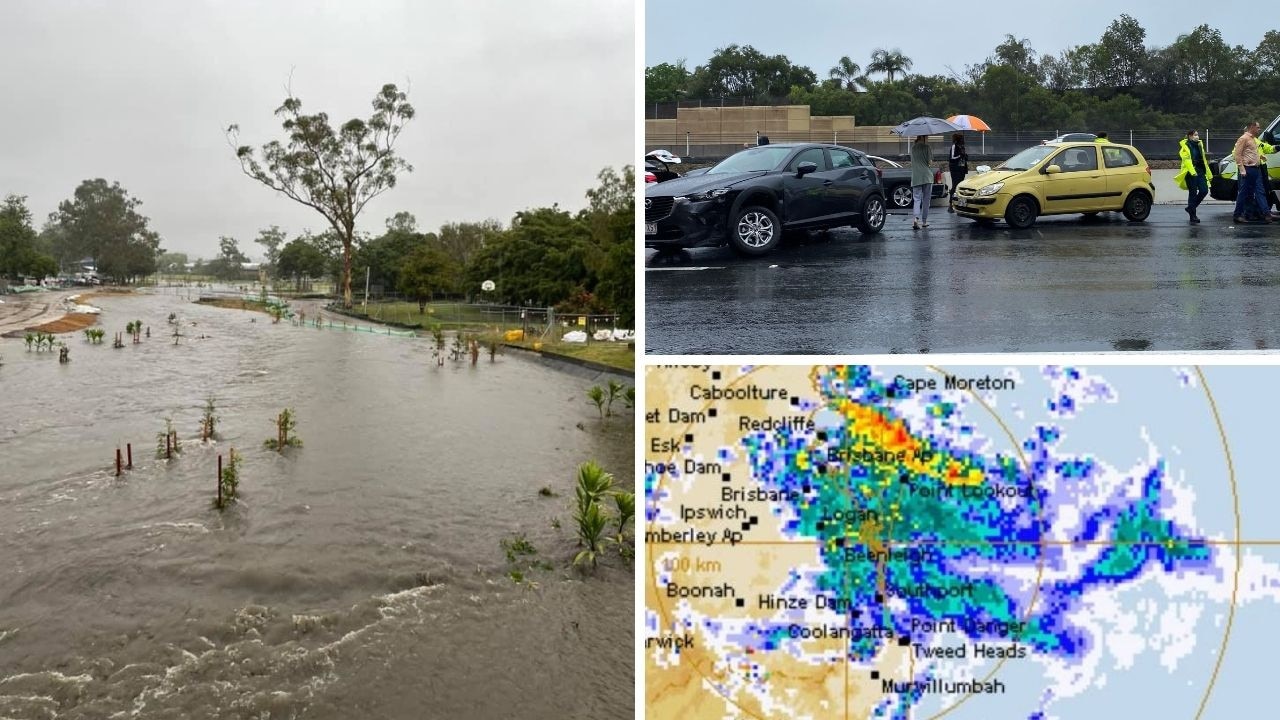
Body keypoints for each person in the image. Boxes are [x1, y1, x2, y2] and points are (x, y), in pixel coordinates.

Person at [1233, 121, 1269, 223]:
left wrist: (1260, 157)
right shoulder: (1243, 138)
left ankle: (1248, 214)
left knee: (1249, 193)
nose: (1259, 129)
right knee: (1243, 193)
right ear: (1252, 127)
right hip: (1248, 169)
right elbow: (1237, 155)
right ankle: (1237, 215)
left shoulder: (1253, 139)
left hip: (1255, 169)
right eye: (1257, 127)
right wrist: (1242, 169)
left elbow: (1250, 153)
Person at [1176, 130, 1213, 224]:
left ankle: (1190, 207)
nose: (1197, 136)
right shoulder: (1185, 146)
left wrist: (1208, 173)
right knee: (1192, 193)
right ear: (1190, 136)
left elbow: (1203, 159)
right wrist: (1192, 172)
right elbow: (1187, 160)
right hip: (1190, 172)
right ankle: (1193, 215)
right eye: (1195, 135)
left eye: (1197, 135)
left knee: (1204, 190)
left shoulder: (1199, 145)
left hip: (1200, 171)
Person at [910, 134, 933, 230]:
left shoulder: (913, 148)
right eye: (926, 137)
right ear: (923, 137)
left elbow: (912, 162)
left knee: (916, 199)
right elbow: (929, 163)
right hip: (927, 177)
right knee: (926, 200)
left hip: (916, 177)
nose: (927, 139)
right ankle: (924, 221)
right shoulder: (927, 147)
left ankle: (915, 219)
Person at [947, 133, 968, 213]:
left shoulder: (962, 147)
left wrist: (965, 156)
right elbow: (952, 158)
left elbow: (964, 158)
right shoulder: (954, 146)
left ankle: (961, 205)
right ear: (958, 140)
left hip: (962, 168)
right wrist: (960, 156)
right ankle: (950, 205)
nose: (963, 141)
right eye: (962, 139)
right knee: (955, 185)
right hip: (955, 169)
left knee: (961, 186)